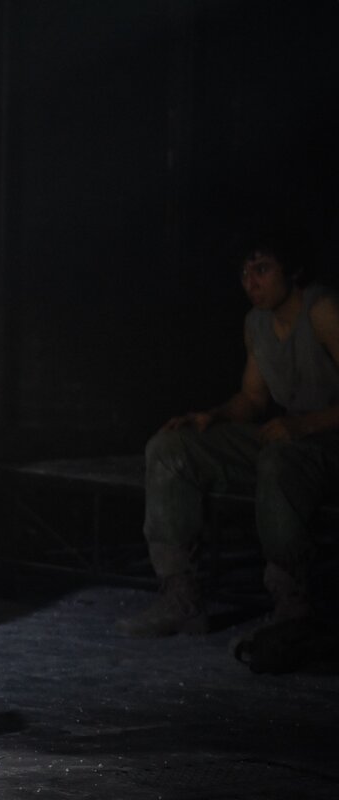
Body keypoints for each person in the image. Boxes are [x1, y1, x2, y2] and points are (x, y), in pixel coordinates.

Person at [116, 230, 339, 662]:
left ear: (292, 270)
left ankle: (293, 605)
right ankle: (181, 597)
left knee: (278, 460)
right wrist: (213, 416)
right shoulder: (257, 322)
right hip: (290, 441)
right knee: (172, 448)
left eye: (262, 270)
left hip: (327, 441)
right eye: (244, 273)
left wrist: (303, 425)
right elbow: (253, 399)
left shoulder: (323, 310)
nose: (251, 282)